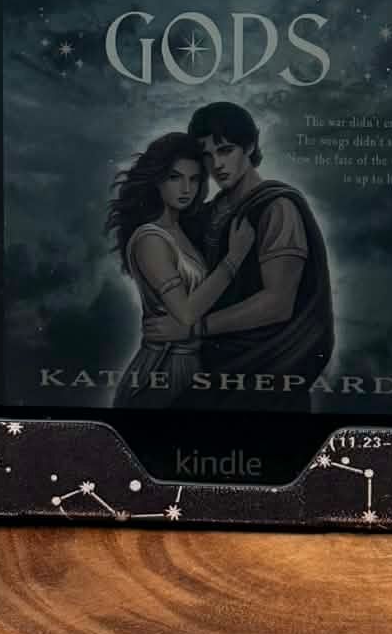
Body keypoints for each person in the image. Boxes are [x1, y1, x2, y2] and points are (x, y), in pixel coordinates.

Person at [142, 103, 334, 411]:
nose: (216, 164)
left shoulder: (277, 207)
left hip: (264, 370)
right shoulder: (207, 212)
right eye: (206, 155)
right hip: (205, 365)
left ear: (250, 146)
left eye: (226, 150)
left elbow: (277, 303)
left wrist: (193, 329)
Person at [104, 131, 255, 409]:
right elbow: (185, 313)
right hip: (161, 367)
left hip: (191, 365)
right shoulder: (150, 238)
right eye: (175, 177)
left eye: (194, 179)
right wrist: (234, 258)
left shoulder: (181, 230)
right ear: (157, 180)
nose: (186, 188)